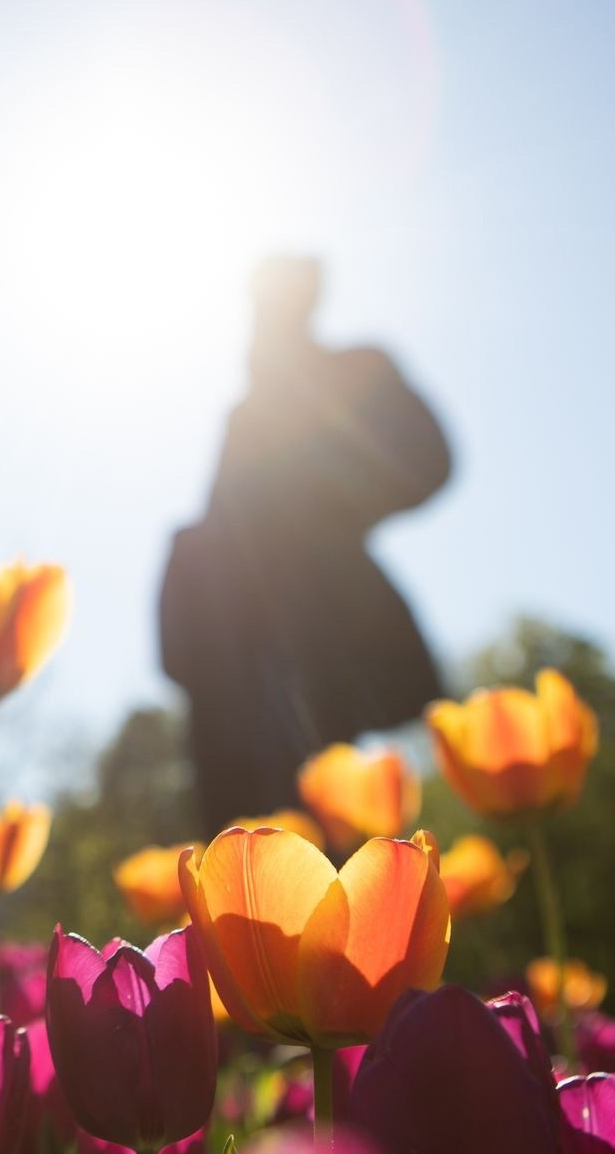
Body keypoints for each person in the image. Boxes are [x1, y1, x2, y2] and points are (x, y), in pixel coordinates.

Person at [159, 257, 451, 826]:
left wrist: (321, 510)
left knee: (328, 810)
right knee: (241, 832)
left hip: (323, 628)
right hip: (234, 658)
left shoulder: (355, 373)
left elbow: (429, 460)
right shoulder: (244, 418)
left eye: (276, 303)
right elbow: (222, 525)